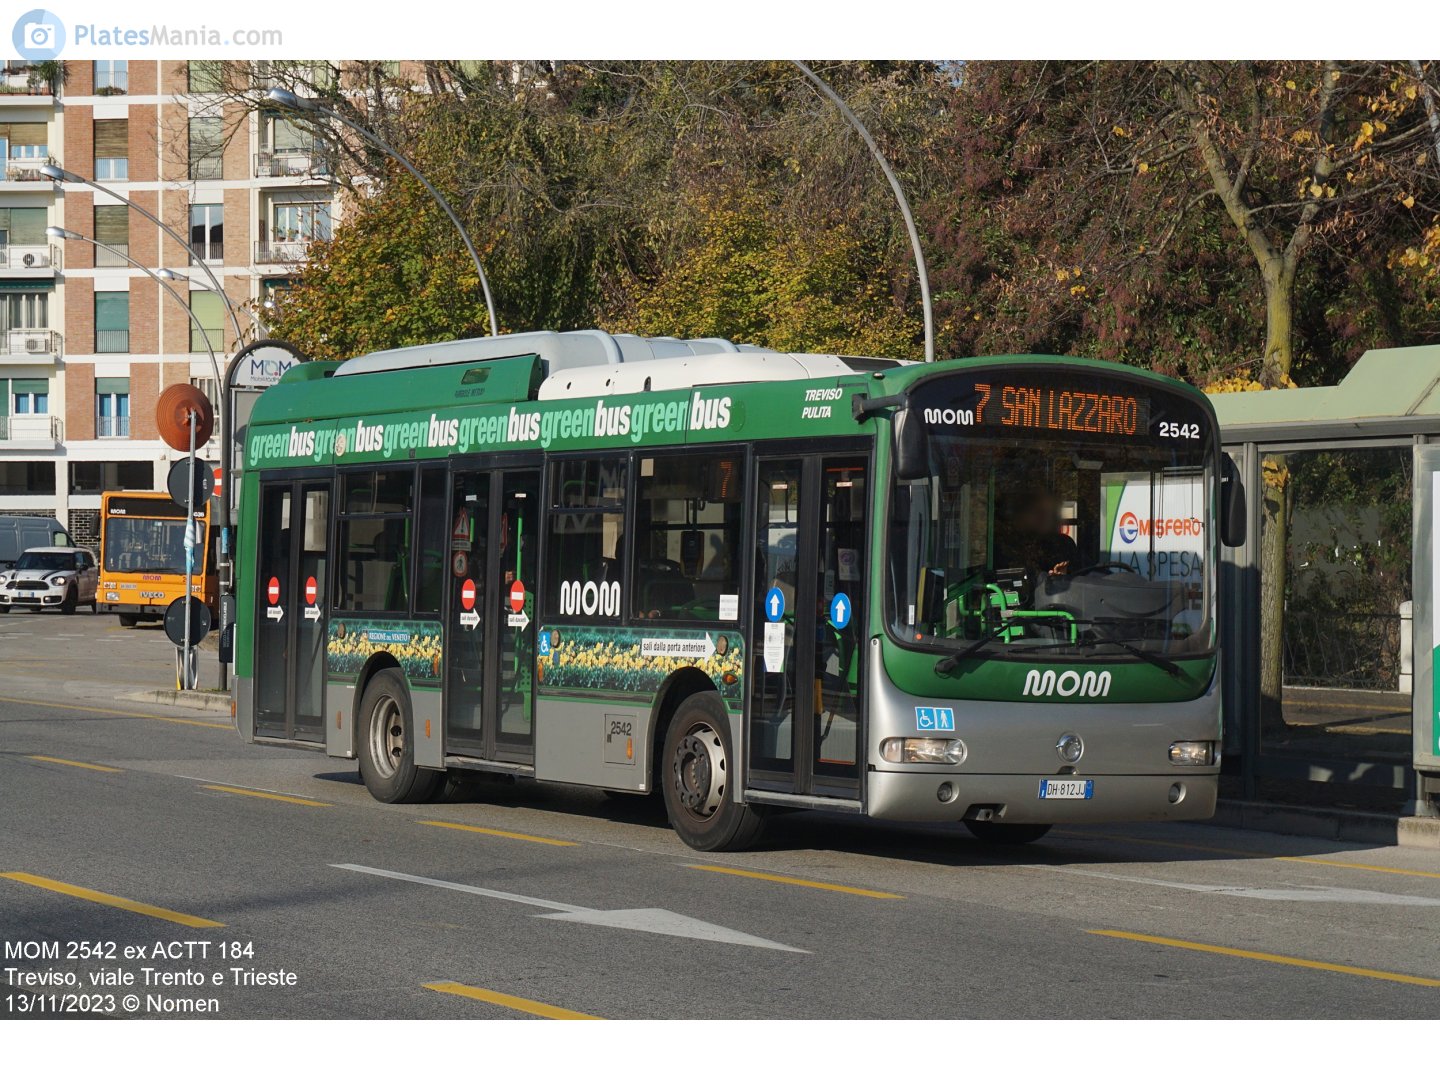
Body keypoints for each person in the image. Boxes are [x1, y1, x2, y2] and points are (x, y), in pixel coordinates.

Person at [995, 486, 1078, 577]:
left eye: (1051, 513)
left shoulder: (1064, 545)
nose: (1046, 519)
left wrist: (1063, 579)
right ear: (1022, 514)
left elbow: (1079, 580)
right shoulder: (1007, 547)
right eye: (1039, 512)